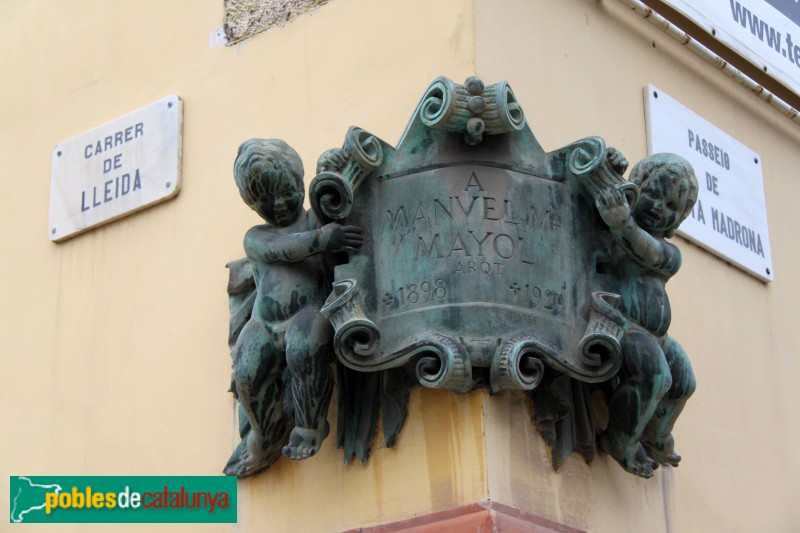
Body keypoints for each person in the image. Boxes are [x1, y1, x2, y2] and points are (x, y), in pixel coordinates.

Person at [225, 138, 363, 476]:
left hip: (307, 315)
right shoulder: (256, 237)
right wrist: (320, 241)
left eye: (286, 192)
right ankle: (263, 432)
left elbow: (333, 191)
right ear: (252, 206)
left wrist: (334, 165)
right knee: (246, 370)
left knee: (304, 346)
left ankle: (309, 425)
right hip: (264, 324)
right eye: (264, 201)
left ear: (300, 182)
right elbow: (280, 250)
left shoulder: (315, 218)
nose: (278, 204)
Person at [595, 152, 698, 478]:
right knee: (657, 375)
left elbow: (647, 251)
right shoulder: (613, 230)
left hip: (658, 336)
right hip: (623, 324)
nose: (658, 207)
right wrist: (609, 169)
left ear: (679, 218)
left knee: (684, 381)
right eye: (652, 195)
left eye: (670, 206)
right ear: (635, 189)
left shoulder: (668, 253)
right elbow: (593, 198)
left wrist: (623, 222)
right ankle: (620, 440)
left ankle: (655, 435)